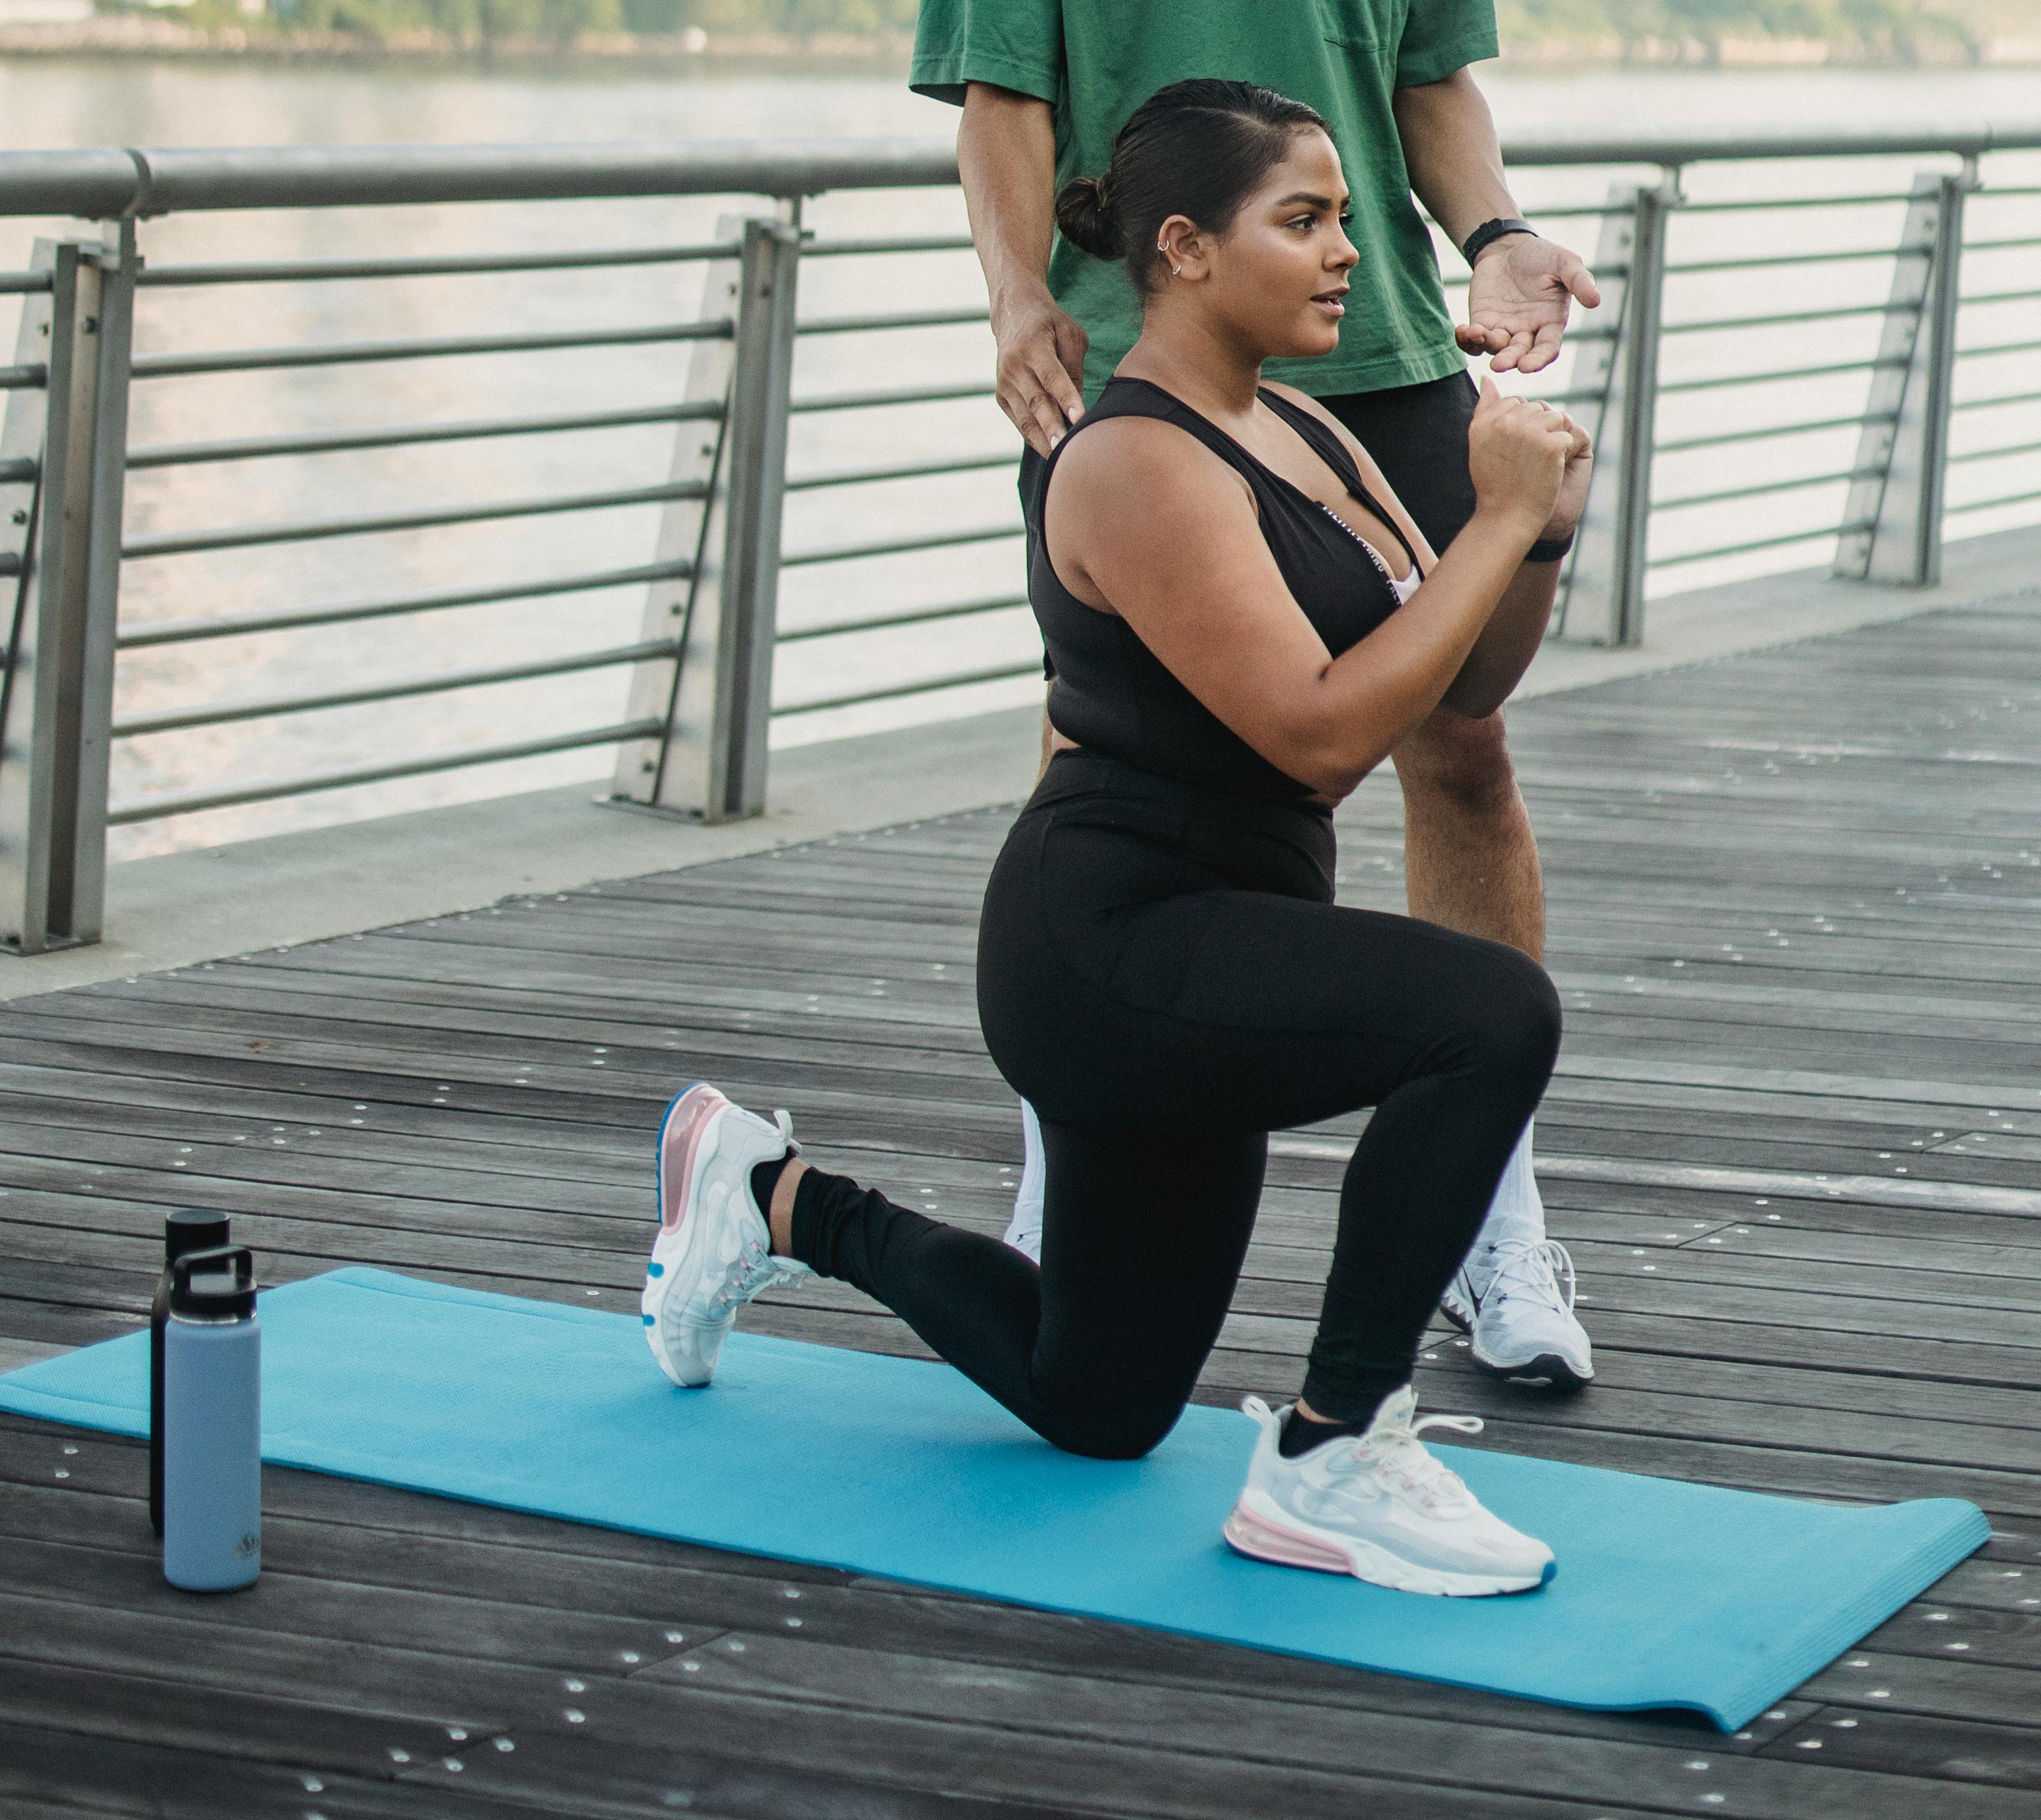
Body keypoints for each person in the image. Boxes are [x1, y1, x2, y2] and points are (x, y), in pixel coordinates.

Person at [641, 81, 1592, 1597]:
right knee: (1487, 1016)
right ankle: (1333, 1450)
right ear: (1183, 249)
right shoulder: (1132, 462)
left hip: (1220, 938)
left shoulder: (1293, 429)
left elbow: (1460, 680)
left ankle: (765, 1189)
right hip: (1110, 947)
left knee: (1096, 1401)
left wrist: (1530, 531)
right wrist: (1485, 525)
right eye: (1302, 219)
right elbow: (1318, 732)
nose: (1346, 252)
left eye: (1345, 216)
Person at [908, 0, 1599, 1389]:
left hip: (1375, 351)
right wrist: (1022, 301)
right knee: (1105, 762)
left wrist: (1491, 238)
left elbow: (1429, 85)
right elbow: (1003, 105)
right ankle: (1071, 1165)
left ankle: (1489, 1214)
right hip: (1146, 378)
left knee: (1459, 751)